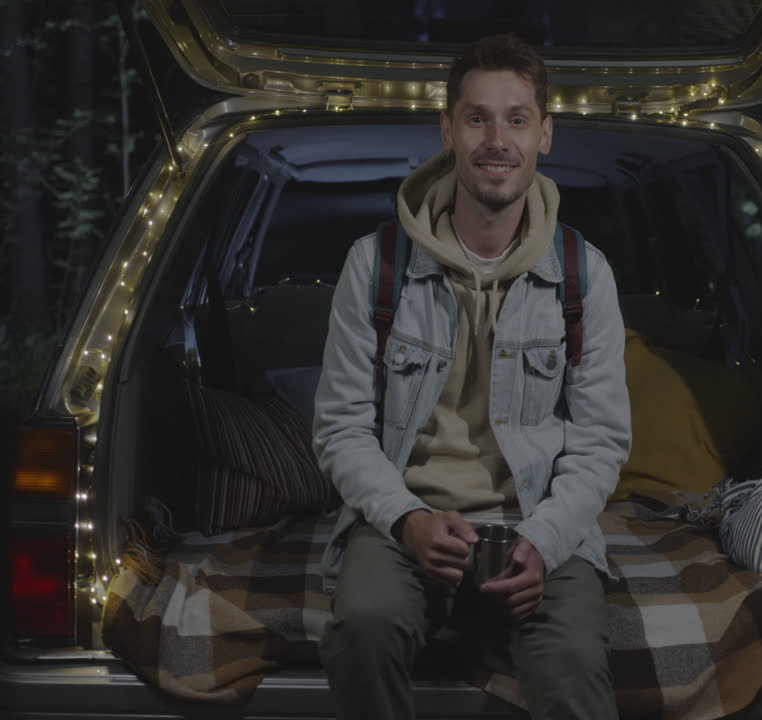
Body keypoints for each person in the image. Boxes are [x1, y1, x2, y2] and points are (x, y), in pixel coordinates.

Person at [312, 32, 631, 720]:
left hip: (539, 522)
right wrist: (408, 521)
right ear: (448, 131)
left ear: (545, 134)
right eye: (477, 118)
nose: (497, 140)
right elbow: (340, 428)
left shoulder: (584, 275)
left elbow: (601, 441)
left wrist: (544, 542)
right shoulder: (375, 266)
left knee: (574, 667)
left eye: (517, 119)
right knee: (363, 626)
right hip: (405, 521)